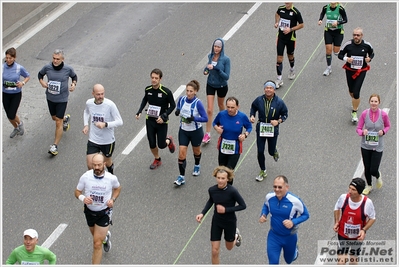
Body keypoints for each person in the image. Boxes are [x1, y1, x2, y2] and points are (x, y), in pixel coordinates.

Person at [75, 153, 121, 264]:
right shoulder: (86, 176)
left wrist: (112, 200)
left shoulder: (111, 178)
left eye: (99, 165)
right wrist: (83, 198)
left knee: (96, 243)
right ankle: (105, 238)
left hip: (104, 213)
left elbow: (118, 188)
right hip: (89, 212)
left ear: (104, 164)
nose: (96, 168)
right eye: (94, 165)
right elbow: (77, 191)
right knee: (96, 237)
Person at [196, 166, 246, 265]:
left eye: (223, 178)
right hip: (217, 221)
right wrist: (202, 213)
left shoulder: (232, 191)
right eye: (218, 178)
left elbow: (243, 206)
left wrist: (226, 210)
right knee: (214, 251)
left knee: (229, 247)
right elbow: (211, 201)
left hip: (229, 222)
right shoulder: (212, 190)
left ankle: (236, 236)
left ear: (228, 179)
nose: (220, 180)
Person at [259, 175, 309, 264]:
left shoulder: (295, 201)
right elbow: (266, 205)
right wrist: (263, 214)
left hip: (289, 237)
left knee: (289, 260)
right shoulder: (269, 197)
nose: (277, 189)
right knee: (273, 263)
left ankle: (295, 250)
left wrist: (293, 222)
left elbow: (306, 215)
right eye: (275, 187)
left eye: (280, 187)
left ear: (287, 187)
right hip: (274, 236)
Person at [38, 49, 78, 156]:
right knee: (54, 118)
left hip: (62, 99)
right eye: (54, 58)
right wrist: (42, 82)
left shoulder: (68, 69)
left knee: (57, 122)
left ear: (62, 59)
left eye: (57, 59)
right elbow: (40, 74)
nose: (55, 61)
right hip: (50, 97)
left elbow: (74, 77)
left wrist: (73, 84)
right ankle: (66, 118)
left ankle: (54, 146)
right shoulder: (47, 67)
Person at [135, 68, 176, 169]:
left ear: (160, 79)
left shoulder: (166, 92)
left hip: (161, 121)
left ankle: (169, 141)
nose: (153, 80)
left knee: (161, 145)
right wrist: (139, 111)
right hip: (150, 120)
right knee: (152, 142)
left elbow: (173, 105)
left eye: (156, 78)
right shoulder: (148, 89)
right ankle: (157, 159)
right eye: (152, 78)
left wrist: (164, 116)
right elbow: (145, 99)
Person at [250, 81, 288, 182]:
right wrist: (252, 115)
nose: (268, 89)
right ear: (264, 89)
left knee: (270, 152)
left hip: (272, 130)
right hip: (261, 129)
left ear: (274, 90)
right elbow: (253, 107)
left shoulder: (279, 102)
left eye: (271, 88)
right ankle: (263, 170)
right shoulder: (259, 100)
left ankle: (274, 151)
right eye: (267, 88)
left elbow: (285, 114)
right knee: (260, 151)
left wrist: (278, 121)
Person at [333, 178, 376, 264]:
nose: (350, 191)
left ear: (359, 191)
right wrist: (337, 221)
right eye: (349, 188)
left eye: (353, 190)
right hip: (343, 235)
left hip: (357, 238)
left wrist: (364, 230)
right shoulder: (343, 198)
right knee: (341, 262)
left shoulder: (367, 203)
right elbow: (337, 208)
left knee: (353, 261)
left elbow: (372, 218)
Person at [173, 80, 208, 186]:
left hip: (195, 132)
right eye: (187, 91)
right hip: (183, 130)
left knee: (196, 151)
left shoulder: (198, 103)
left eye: (191, 91)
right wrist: (177, 111)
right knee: (182, 153)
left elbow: (205, 118)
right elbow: (178, 106)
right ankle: (181, 176)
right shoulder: (182, 99)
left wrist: (194, 118)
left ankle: (197, 165)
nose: (188, 93)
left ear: (195, 92)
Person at [83, 84, 123, 174]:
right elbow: (86, 112)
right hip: (93, 139)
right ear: (93, 93)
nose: (100, 96)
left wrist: (105, 124)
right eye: (98, 94)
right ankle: (97, 183)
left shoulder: (110, 105)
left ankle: (110, 175)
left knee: (107, 163)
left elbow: (120, 121)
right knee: (91, 165)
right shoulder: (89, 103)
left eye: (102, 94)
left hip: (107, 140)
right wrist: (86, 125)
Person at [356, 94, 391, 195]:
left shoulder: (383, 115)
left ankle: (378, 175)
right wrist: (363, 132)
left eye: (375, 101)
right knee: (367, 167)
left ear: (379, 103)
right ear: (369, 102)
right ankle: (369, 185)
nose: (373, 103)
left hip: (378, 146)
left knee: (373, 169)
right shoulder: (364, 114)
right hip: (366, 145)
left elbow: (388, 126)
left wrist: (383, 131)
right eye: (372, 101)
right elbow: (358, 128)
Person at [338, 27, 374, 123]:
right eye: (354, 35)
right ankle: (355, 101)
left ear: (362, 36)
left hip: (361, 71)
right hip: (350, 70)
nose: (356, 37)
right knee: (351, 91)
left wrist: (369, 59)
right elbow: (340, 54)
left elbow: (372, 53)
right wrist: (346, 59)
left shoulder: (366, 45)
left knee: (356, 92)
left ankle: (354, 112)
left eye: (358, 35)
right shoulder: (348, 44)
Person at [212, 97, 252, 184]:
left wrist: (245, 135)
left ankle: (228, 190)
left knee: (229, 171)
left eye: (232, 107)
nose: (230, 109)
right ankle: (222, 187)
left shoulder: (242, 117)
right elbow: (214, 123)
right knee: (222, 170)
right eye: (228, 107)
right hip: (223, 146)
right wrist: (217, 128)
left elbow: (249, 127)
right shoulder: (222, 114)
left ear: (238, 107)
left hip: (235, 148)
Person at [202, 38, 231, 144]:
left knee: (221, 105)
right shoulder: (210, 56)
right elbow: (207, 69)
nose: (216, 48)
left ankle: (224, 123)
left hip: (222, 85)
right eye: (215, 46)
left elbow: (226, 76)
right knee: (209, 109)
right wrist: (206, 70)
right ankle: (207, 133)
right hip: (210, 84)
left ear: (222, 48)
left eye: (218, 47)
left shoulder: (226, 60)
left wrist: (217, 69)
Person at [274, 3, 304, 88]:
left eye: (288, 3)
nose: (286, 4)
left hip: (291, 38)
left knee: (290, 55)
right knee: (279, 57)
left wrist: (291, 29)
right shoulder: (281, 8)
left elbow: (302, 25)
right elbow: (277, 14)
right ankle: (279, 79)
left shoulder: (296, 12)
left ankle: (292, 69)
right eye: (285, 2)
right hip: (280, 37)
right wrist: (276, 22)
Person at [3, 47, 30, 138]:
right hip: (5, 94)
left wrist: (22, 83)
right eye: (6, 58)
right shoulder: (2, 67)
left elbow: (27, 76)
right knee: (9, 115)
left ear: (14, 58)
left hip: (16, 94)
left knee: (12, 114)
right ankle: (16, 128)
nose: (8, 60)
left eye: (10, 58)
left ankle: (20, 124)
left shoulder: (19, 67)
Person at [317, 2, 348, 76]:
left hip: (338, 32)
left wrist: (338, 22)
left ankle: (345, 57)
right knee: (328, 50)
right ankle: (328, 68)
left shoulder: (340, 9)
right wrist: (320, 20)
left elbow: (345, 20)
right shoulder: (325, 7)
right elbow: (322, 13)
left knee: (336, 52)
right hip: (328, 31)